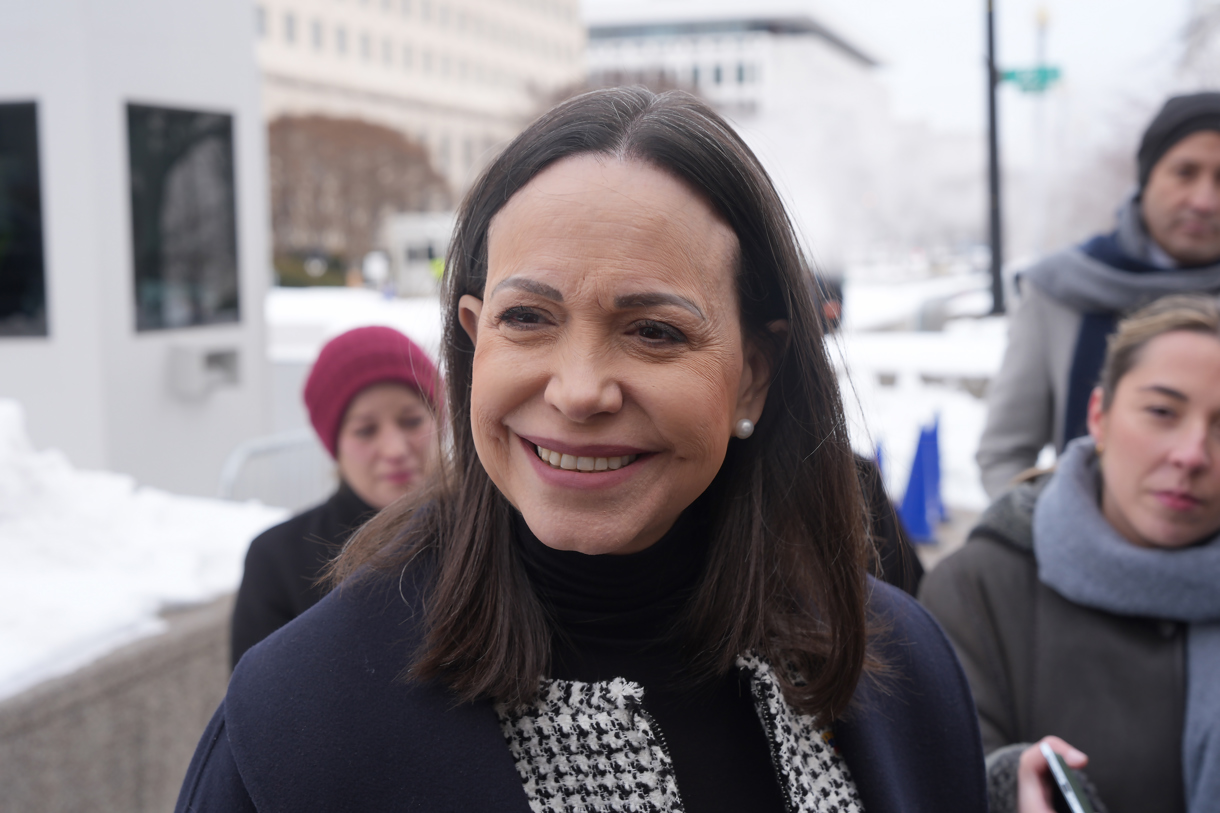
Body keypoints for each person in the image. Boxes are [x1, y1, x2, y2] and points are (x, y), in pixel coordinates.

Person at [178, 87, 986, 812]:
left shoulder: (899, 665)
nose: (578, 390)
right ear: (473, 341)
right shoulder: (298, 720)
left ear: (752, 376)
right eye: (528, 318)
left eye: (654, 330)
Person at [922, 295, 1220, 813]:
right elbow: (928, 778)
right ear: (1099, 416)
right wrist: (1006, 786)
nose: (1192, 454)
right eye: (1161, 412)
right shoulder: (977, 589)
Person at [978, 92, 1220, 498]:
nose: (1204, 200)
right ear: (1147, 176)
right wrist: (1042, 530)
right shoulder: (1061, 288)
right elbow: (1005, 452)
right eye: (1185, 172)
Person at [229, 325, 441, 667]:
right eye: (366, 430)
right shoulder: (278, 559)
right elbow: (249, 696)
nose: (395, 449)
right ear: (334, 444)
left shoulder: (486, 532)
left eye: (412, 421)